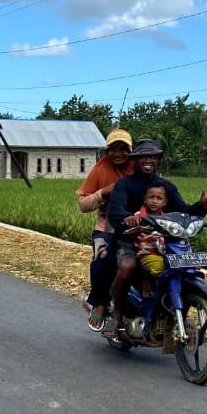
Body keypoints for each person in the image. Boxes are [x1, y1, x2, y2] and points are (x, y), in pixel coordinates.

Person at [105, 138, 207, 336]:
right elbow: (114, 213)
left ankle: (171, 311)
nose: (148, 160)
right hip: (131, 239)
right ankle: (117, 314)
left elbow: (182, 212)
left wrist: (201, 206)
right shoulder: (124, 185)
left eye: (153, 157)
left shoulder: (166, 187)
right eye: (143, 157)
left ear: (158, 160)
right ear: (135, 160)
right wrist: (128, 219)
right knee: (127, 267)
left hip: (162, 240)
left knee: (182, 268)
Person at [75, 128, 134, 330]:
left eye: (123, 149)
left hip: (135, 226)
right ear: (107, 151)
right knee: (102, 256)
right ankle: (99, 303)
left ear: (131, 150)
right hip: (106, 227)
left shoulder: (138, 168)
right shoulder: (100, 170)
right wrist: (103, 192)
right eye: (114, 149)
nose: (118, 153)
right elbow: (83, 205)